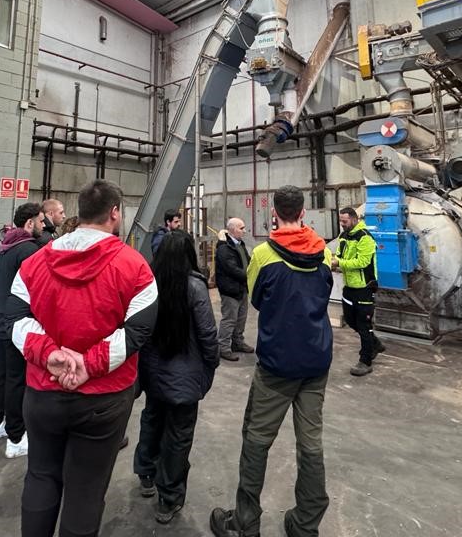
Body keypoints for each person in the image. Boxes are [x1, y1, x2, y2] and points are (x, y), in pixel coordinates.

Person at [8, 179, 157, 537]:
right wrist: (89, 365)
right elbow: (138, 331)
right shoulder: (135, 266)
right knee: (86, 489)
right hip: (104, 399)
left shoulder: (34, 262)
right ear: (115, 213)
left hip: (43, 392)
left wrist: (51, 355)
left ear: (80, 211)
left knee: (41, 475)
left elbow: (12, 319)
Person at [210, 185, 333, 537]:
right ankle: (306, 524)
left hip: (277, 364)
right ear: (303, 212)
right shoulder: (323, 252)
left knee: (257, 439)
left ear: (274, 213)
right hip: (316, 360)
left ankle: (245, 522)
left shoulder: (264, 254)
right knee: (311, 443)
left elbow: (258, 300)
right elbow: (324, 293)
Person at [134, 230, 218, 524]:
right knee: (178, 436)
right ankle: (168, 498)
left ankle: (146, 473)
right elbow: (207, 332)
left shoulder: (149, 283)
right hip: (184, 377)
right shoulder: (195, 286)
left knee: (152, 419)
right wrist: (212, 362)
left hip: (153, 373)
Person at [0, 202, 44, 458]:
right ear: (30, 223)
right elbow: (38, 288)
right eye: (41, 221)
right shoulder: (28, 250)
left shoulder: (6, 246)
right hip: (16, 323)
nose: (43, 225)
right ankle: (16, 437)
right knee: (17, 379)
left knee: (0, 372)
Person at [331, 207, 383, 376]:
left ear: (354, 219)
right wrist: (333, 262)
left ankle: (365, 361)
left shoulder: (365, 238)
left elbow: (362, 262)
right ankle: (375, 344)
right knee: (350, 320)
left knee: (363, 325)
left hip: (364, 288)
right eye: (341, 221)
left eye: (345, 221)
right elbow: (339, 256)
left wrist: (339, 263)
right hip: (349, 286)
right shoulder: (344, 236)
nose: (342, 224)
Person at [214, 217, 254, 362]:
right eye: (241, 228)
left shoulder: (240, 245)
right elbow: (232, 269)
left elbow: (248, 262)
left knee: (241, 318)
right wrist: (250, 275)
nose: (244, 231)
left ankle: (237, 342)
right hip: (230, 290)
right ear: (232, 230)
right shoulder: (224, 249)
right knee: (229, 320)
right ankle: (223, 348)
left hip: (241, 288)